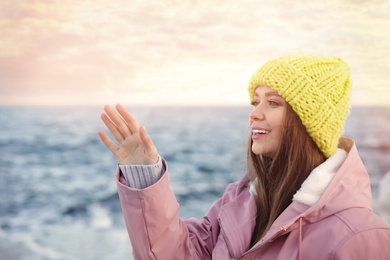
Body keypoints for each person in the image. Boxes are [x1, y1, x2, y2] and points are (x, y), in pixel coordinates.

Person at [98, 55, 390, 259]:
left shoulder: (361, 237)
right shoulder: (238, 205)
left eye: (273, 102)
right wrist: (145, 174)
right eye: (255, 101)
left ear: (309, 123)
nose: (254, 113)